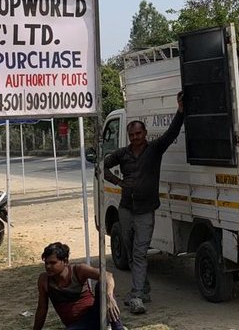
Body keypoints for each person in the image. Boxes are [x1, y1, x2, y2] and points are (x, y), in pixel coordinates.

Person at [102, 91, 184, 315]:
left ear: (145, 133)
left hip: (146, 210)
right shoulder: (122, 154)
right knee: (130, 250)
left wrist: (180, 111)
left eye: (139, 133)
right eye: (132, 135)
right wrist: (119, 182)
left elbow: (172, 132)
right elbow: (103, 166)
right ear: (128, 136)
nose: (136, 137)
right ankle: (144, 288)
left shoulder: (154, 150)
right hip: (126, 208)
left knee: (139, 252)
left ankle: (137, 295)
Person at [33, 242, 124, 330]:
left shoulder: (78, 270)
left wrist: (109, 296)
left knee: (102, 285)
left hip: (95, 316)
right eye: (46, 263)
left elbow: (107, 276)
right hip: (76, 325)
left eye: (53, 263)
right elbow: (42, 309)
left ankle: (118, 328)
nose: (48, 266)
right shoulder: (44, 280)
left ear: (65, 261)